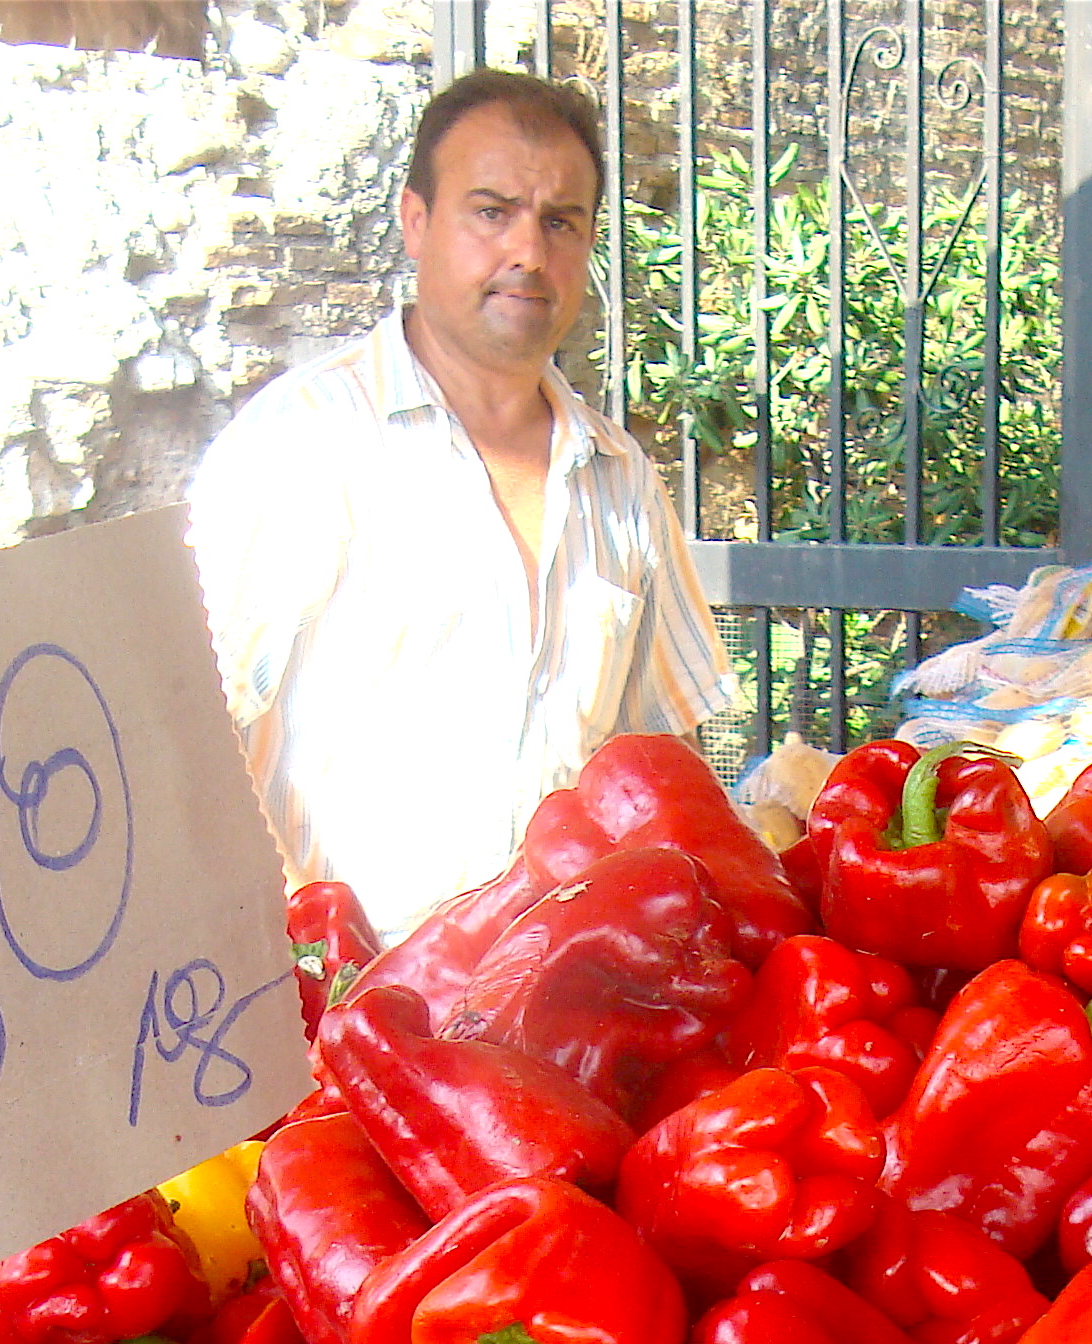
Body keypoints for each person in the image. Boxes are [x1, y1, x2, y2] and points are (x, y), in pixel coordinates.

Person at [187, 68, 733, 936]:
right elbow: (188, 735)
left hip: (553, 1017)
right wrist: (304, 953)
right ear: (416, 222)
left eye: (561, 221)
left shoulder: (619, 480)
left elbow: (662, 767)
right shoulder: (305, 445)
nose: (528, 252)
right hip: (333, 1016)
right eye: (491, 210)